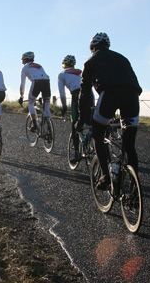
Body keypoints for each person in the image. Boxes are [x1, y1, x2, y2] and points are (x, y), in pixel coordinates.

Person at [75, 32, 141, 189]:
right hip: (132, 95)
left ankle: (105, 176)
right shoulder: (122, 58)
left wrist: (81, 117)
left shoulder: (91, 61)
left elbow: (84, 93)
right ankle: (133, 186)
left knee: (98, 134)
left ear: (93, 48)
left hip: (110, 94)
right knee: (129, 145)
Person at [57, 54, 93, 165]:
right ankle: (90, 141)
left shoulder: (62, 74)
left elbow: (62, 94)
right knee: (90, 122)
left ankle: (77, 153)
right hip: (89, 95)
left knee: (75, 123)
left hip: (76, 96)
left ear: (64, 65)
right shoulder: (80, 71)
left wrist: (64, 107)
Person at [18, 51, 51, 133]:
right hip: (47, 82)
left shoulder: (25, 67)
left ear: (25, 60)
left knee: (31, 103)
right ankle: (50, 128)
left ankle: (35, 124)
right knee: (46, 107)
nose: (22, 62)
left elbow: (22, 84)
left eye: (23, 60)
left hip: (37, 82)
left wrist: (21, 96)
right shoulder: (39, 65)